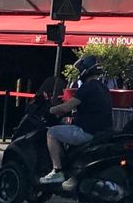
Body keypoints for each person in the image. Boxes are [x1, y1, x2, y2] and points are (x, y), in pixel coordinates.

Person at [38, 55, 113, 186]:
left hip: (86, 131)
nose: (79, 74)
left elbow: (67, 106)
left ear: (86, 70)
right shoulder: (103, 88)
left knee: (52, 133)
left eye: (80, 70)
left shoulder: (87, 88)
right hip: (102, 132)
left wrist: (50, 110)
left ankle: (57, 170)